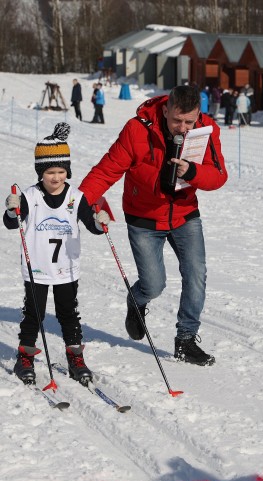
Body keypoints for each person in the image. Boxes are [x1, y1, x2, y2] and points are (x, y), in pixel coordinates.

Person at [78, 85, 228, 366]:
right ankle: (137, 300)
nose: (183, 127)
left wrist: (192, 171)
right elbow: (107, 169)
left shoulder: (206, 130)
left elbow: (219, 176)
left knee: (196, 274)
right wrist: (78, 202)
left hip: (185, 214)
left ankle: (185, 340)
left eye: (189, 121)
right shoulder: (137, 130)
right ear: (165, 109)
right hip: (144, 217)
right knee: (154, 284)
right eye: (177, 120)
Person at [2, 123, 110, 385]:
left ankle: (75, 356)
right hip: (37, 267)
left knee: (68, 312)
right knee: (34, 314)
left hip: (66, 268)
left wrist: (99, 220)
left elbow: (92, 225)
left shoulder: (76, 196)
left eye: (61, 171)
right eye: (50, 171)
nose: (56, 177)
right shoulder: (30, 196)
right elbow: (11, 223)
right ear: (41, 172)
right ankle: (25, 355)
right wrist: (11, 209)